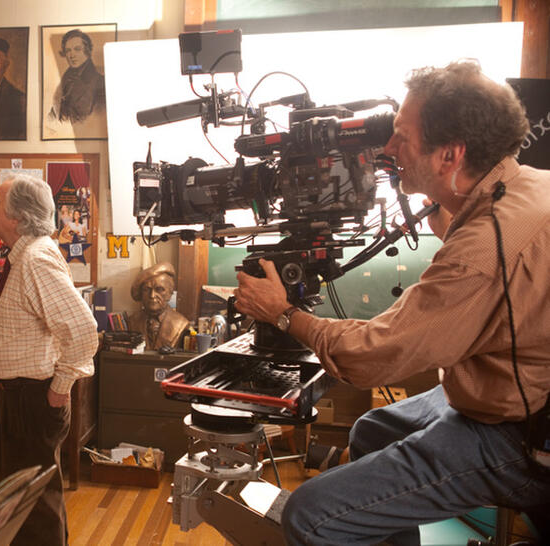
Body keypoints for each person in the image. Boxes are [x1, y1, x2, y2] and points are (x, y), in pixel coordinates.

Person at [235, 60, 550, 545]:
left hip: (521, 436)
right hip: (509, 386)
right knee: (371, 431)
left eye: (400, 136)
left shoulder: (485, 249)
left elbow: (371, 358)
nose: (387, 149)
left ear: (450, 155)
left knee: (310, 515)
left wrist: (283, 312)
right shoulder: (527, 183)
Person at [0, 173, 98, 545]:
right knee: (19, 503)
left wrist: (60, 389)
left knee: (35, 508)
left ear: (16, 217)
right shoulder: (28, 254)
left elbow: (82, 330)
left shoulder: (34, 258)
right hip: (18, 397)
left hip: (30, 399)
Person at [127, 262, 190, 351]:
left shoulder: (181, 323)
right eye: (147, 289)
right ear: (141, 294)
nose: (152, 295)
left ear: (170, 293)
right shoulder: (131, 321)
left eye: (159, 289)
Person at [48, 29, 105, 124]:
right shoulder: (66, 80)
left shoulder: (100, 83)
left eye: (77, 49)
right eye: (68, 51)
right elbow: (53, 117)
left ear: (87, 51)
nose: (71, 55)